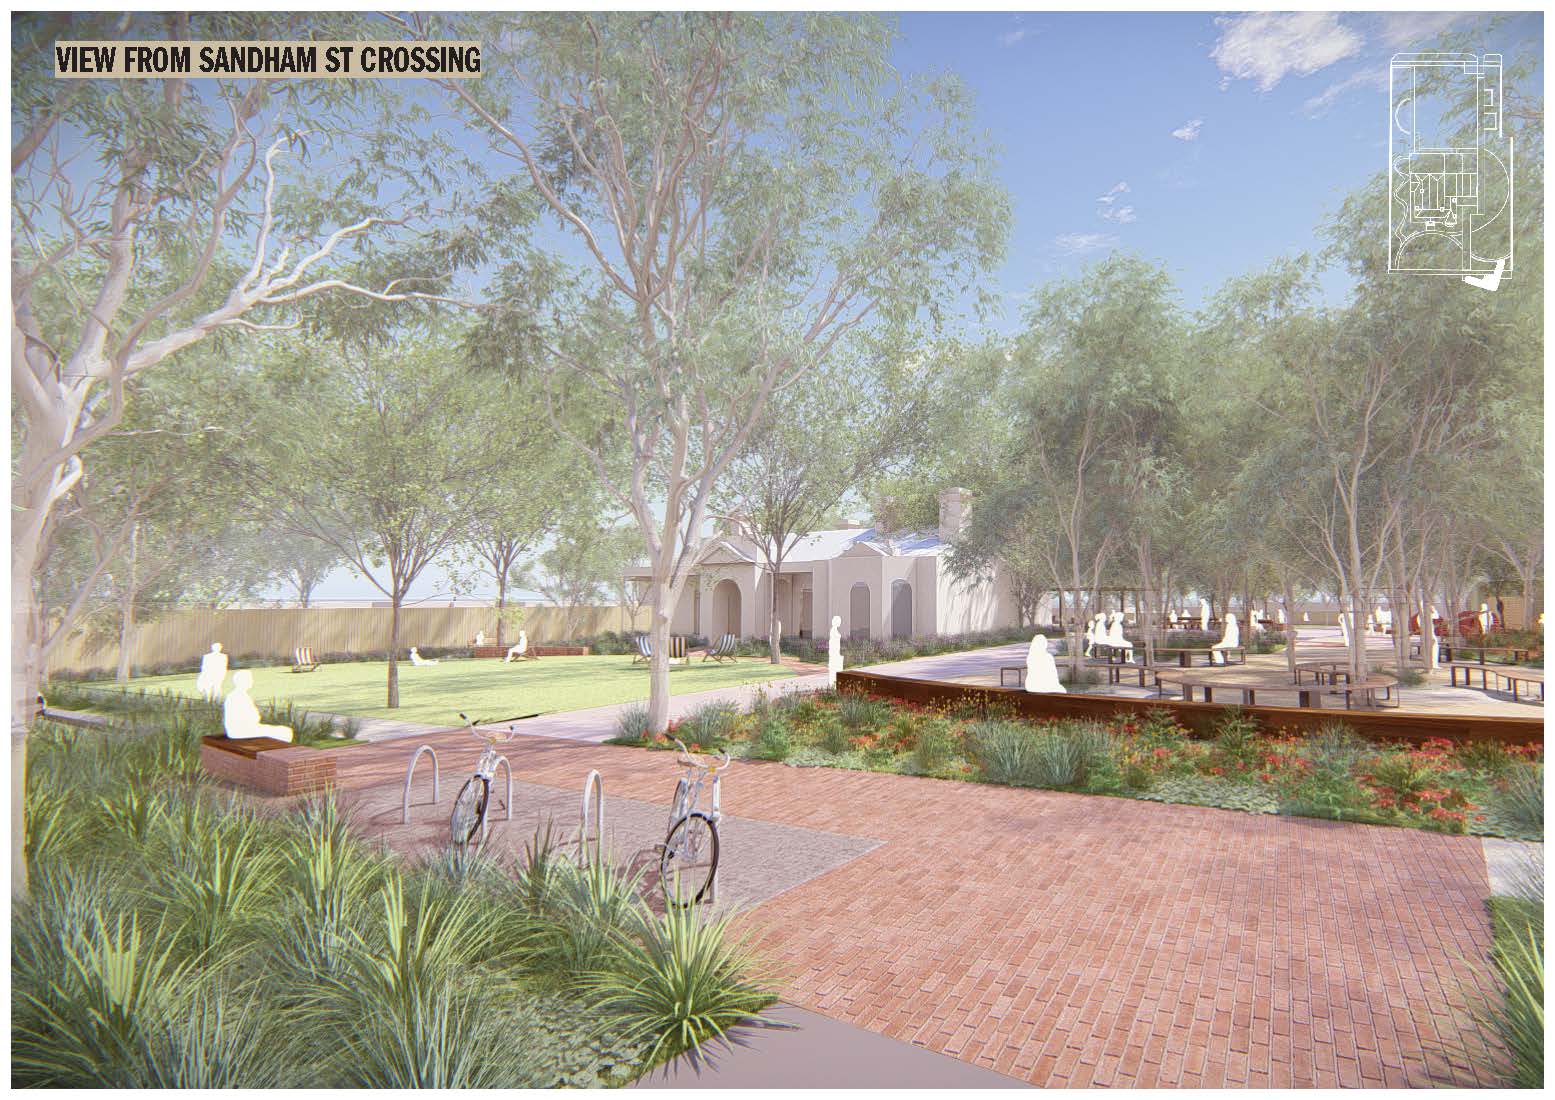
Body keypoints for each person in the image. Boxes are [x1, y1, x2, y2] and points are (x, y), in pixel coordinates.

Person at [223, 670, 293, 742]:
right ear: (243, 681)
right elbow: (251, 718)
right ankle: (279, 752)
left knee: (281, 730)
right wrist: (256, 717)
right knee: (285, 732)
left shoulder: (233, 695)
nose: (252, 681)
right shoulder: (240, 697)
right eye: (250, 679)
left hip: (236, 731)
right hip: (242, 731)